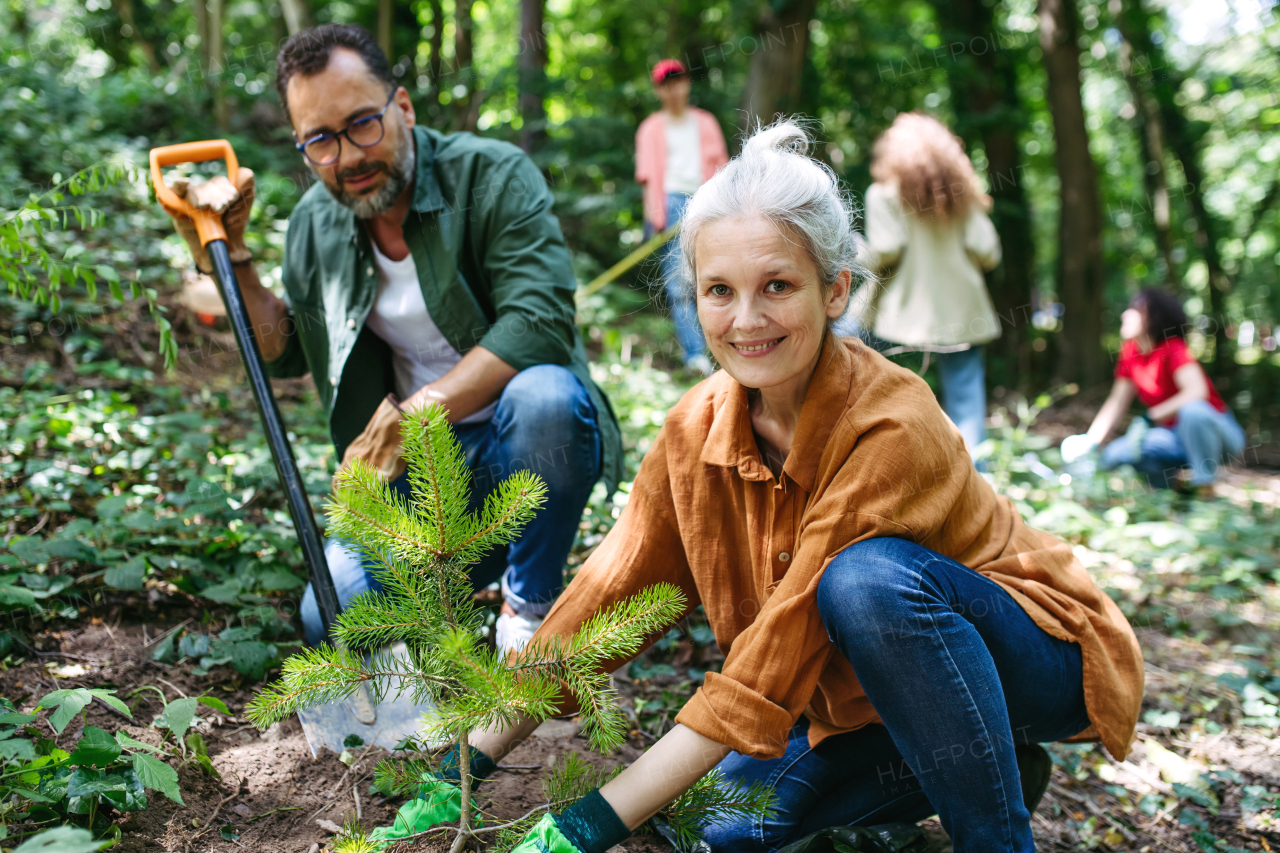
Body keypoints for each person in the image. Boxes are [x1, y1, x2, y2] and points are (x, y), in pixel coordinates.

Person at [457, 122, 1143, 853]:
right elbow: (608, 594)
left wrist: (586, 823)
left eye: (777, 285)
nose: (746, 319)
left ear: (835, 289)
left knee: (864, 581)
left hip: (1030, 649)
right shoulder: (694, 429)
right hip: (872, 696)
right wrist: (468, 756)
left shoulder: (891, 422)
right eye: (719, 290)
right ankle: (983, 765)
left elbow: (780, 645)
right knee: (720, 827)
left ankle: (996, 833)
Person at [163, 24, 622, 654]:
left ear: (401, 107)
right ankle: (443, 618)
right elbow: (285, 350)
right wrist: (233, 254)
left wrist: (417, 415)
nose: (348, 156)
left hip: (521, 449)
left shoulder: (490, 175)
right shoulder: (314, 224)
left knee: (545, 399)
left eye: (362, 124)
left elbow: (539, 318)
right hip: (411, 481)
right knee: (333, 616)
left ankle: (530, 613)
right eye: (319, 140)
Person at [843, 112, 1002, 459]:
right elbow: (988, 251)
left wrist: (856, 251)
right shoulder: (963, 196)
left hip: (900, 320)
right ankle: (980, 496)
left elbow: (887, 249)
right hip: (963, 316)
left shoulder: (884, 194)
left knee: (886, 396)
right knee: (967, 408)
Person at [1061, 288, 1245, 496]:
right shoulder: (1130, 352)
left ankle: (1205, 488)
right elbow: (1116, 401)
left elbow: (1197, 392)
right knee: (1118, 454)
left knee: (1193, 411)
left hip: (1218, 436)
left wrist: (1151, 415)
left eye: (1134, 310)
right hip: (1173, 440)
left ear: (1153, 317)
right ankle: (1173, 496)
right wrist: (1090, 442)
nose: (1125, 315)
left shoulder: (1173, 348)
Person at [635, 58, 729, 375]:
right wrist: (654, 217)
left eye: (678, 80)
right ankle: (696, 356)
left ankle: (727, 348)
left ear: (687, 83)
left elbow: (723, 168)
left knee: (717, 278)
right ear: (658, 89)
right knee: (680, 287)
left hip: (707, 202)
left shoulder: (705, 122)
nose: (673, 88)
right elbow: (648, 177)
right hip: (670, 205)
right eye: (666, 83)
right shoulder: (650, 128)